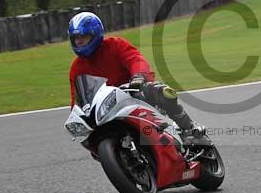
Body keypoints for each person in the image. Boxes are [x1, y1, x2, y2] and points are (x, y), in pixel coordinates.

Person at [67, 11, 207, 142]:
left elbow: (135, 59)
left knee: (161, 92)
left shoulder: (115, 45)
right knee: (88, 136)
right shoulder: (76, 68)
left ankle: (189, 128)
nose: (79, 42)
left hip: (131, 92)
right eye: (75, 38)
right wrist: (77, 116)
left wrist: (139, 76)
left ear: (95, 34)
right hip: (104, 110)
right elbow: (77, 99)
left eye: (83, 37)